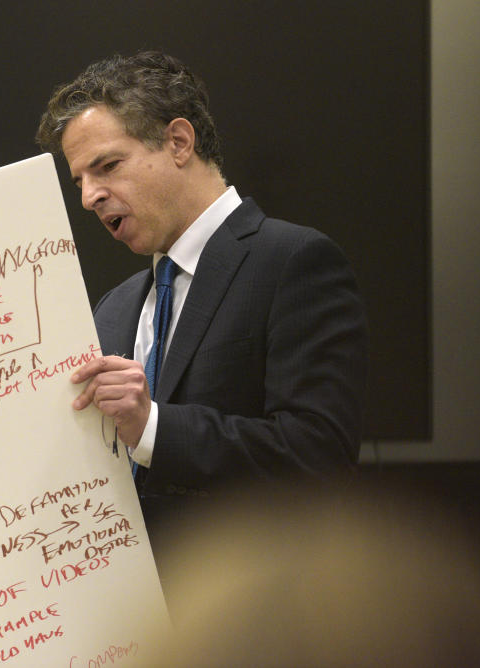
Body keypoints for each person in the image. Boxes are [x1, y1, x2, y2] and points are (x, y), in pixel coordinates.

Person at [35, 51, 367, 535]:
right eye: (80, 181)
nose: (89, 197)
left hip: (249, 602)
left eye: (107, 165)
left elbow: (318, 456)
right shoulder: (114, 309)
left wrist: (153, 427)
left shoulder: (292, 261)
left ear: (178, 141)